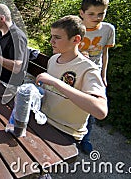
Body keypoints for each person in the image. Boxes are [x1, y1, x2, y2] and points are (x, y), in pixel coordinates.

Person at [36, 15, 108, 146]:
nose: (51, 41)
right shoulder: (53, 59)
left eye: (57, 37)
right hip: (42, 119)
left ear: (76, 39)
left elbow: (100, 111)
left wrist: (55, 82)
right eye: (52, 36)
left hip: (65, 132)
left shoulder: (88, 69)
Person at [78, 0, 115, 153]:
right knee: (72, 104)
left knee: (92, 109)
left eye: (101, 14)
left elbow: (105, 54)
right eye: (91, 14)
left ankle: (86, 138)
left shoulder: (108, 29)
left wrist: (103, 75)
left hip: (95, 74)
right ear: (82, 13)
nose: (97, 17)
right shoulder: (75, 27)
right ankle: (70, 136)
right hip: (76, 73)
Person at [0, 4, 29, 101]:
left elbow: (17, 67)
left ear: (2, 18)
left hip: (8, 86)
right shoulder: (2, 33)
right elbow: (5, 53)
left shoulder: (17, 37)